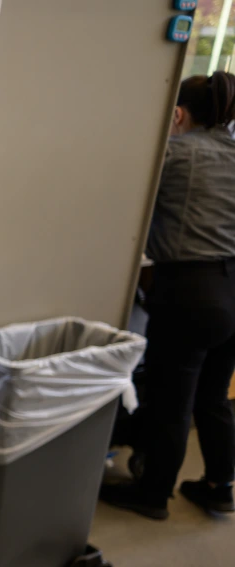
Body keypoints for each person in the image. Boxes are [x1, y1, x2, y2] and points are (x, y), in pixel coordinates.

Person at [101, 72, 235, 520]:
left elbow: (125, 203)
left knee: (170, 399)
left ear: (176, 114)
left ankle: (154, 493)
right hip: (232, 289)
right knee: (212, 395)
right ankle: (219, 484)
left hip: (192, 290)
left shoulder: (174, 152)